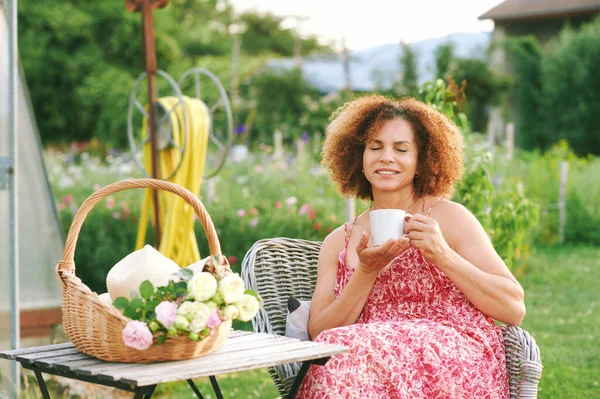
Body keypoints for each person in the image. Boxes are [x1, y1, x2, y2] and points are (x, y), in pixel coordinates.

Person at [296, 95, 525, 398]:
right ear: (358, 158)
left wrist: (442, 254)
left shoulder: (449, 218)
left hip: (452, 356)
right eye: (375, 147)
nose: (386, 157)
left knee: (349, 355)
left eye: (401, 149)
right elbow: (320, 334)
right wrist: (366, 272)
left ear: (421, 161)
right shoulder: (340, 241)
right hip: (363, 360)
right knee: (339, 355)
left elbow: (513, 308)